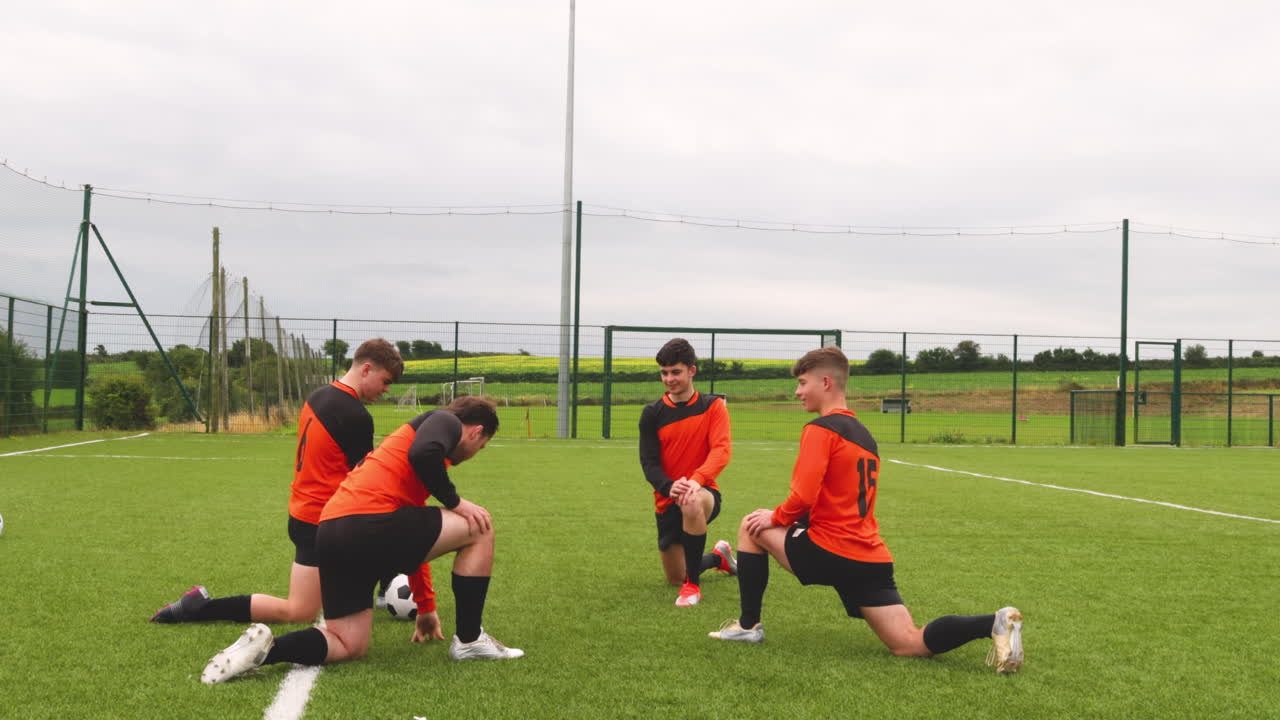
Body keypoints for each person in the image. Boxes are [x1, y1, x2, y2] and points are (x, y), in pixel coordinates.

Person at [708, 346, 1024, 674]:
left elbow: (803, 497)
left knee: (750, 526)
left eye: (803, 383)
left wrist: (774, 518)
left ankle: (747, 627)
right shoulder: (865, 437)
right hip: (870, 558)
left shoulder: (820, 429)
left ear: (826, 382)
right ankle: (995, 622)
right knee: (908, 644)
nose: (798, 391)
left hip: (829, 550)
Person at [200, 396, 521, 684]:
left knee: (347, 642)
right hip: (369, 523)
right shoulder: (445, 420)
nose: (475, 453)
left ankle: (264, 651)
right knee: (481, 528)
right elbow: (425, 452)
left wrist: (425, 606)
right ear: (477, 432)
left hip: (332, 530)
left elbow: (414, 535)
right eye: (481, 446)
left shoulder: (403, 468)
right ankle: (469, 640)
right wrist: (456, 502)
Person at [150, 338, 404, 625]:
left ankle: (385, 586)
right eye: (385, 381)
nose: (386, 390)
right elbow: (365, 481)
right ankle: (199, 607)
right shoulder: (354, 415)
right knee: (299, 611)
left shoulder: (318, 397)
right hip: (320, 521)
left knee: (373, 541)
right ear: (367, 369)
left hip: (303, 511)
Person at [639, 338, 736, 607]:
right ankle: (719, 558)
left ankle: (692, 588)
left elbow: (721, 451)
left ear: (692, 371)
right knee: (675, 577)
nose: (669, 379)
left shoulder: (713, 406)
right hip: (667, 499)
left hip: (703, 493)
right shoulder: (652, 414)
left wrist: (695, 481)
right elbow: (649, 463)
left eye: (676, 372)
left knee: (691, 501)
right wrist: (670, 487)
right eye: (664, 373)